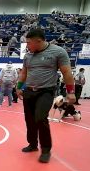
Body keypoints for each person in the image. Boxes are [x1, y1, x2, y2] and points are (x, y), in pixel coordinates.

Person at [16, 28, 75, 163]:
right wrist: (19, 87)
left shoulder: (58, 52)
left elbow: (66, 72)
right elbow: (24, 73)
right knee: (29, 120)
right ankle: (32, 144)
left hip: (46, 91)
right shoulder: (28, 56)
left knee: (40, 118)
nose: (27, 46)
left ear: (39, 41)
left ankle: (46, 150)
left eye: (29, 43)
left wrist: (71, 92)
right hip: (29, 92)